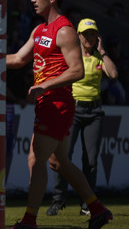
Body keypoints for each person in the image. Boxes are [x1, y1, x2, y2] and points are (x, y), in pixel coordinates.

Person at [5, 0, 112, 229]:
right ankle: (97, 210)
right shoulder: (40, 29)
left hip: (57, 102)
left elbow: (77, 71)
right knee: (58, 162)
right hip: (48, 102)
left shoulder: (64, 30)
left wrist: (45, 86)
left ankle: (30, 220)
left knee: (36, 159)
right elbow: (19, 59)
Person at [47, 18, 118, 216]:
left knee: (91, 160)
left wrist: (102, 52)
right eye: (85, 34)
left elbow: (113, 74)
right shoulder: (72, 56)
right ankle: (58, 200)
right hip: (73, 111)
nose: (89, 37)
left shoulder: (99, 57)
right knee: (64, 157)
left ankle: (87, 203)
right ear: (77, 36)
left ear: (97, 36)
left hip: (94, 112)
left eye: (92, 34)